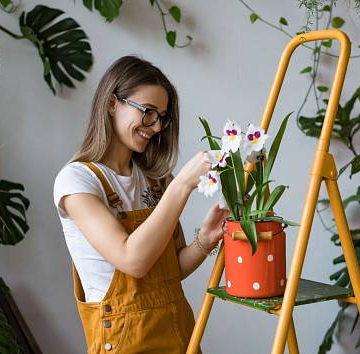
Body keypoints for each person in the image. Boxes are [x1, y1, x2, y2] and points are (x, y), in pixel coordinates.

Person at [53, 55, 229, 353]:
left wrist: (205, 240)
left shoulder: (156, 180)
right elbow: (133, 261)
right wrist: (183, 184)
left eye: (162, 116)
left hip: (179, 333)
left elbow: (172, 270)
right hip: (125, 341)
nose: (157, 126)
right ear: (112, 103)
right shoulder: (77, 181)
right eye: (148, 112)